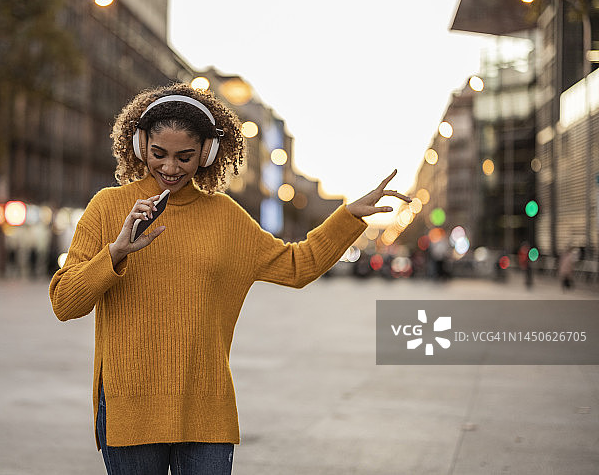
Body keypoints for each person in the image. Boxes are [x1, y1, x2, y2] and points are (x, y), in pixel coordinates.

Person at [48, 83, 410, 475]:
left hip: (206, 406)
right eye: (159, 154)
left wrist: (348, 217)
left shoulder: (225, 216)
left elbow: (297, 265)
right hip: (130, 406)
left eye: (185, 156)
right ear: (138, 145)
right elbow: (65, 303)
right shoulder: (108, 207)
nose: (170, 167)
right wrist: (116, 252)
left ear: (208, 153)